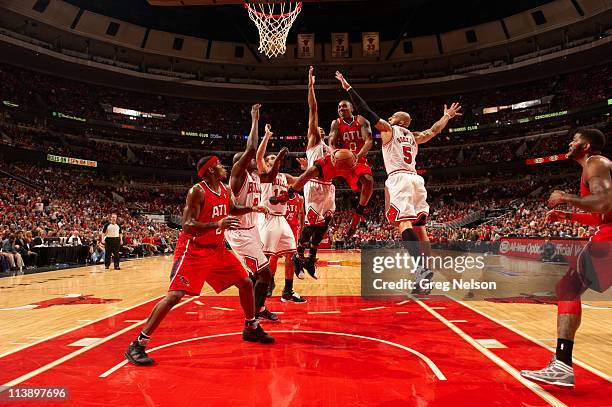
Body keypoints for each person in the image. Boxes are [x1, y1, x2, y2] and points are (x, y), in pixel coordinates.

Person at [124, 155, 275, 366]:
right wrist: (217, 224)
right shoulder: (197, 191)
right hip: (193, 249)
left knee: (246, 283)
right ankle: (137, 344)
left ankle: (251, 327)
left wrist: (253, 208)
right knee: (175, 295)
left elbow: (232, 210)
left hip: (217, 249)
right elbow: (187, 225)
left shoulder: (225, 189)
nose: (223, 167)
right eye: (219, 165)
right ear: (211, 170)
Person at [333, 71, 461, 294]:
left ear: (399, 121)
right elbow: (435, 129)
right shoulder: (415, 136)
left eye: (392, 117)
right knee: (421, 229)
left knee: (403, 224)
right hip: (416, 180)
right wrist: (447, 116)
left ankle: (421, 270)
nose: (389, 118)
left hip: (399, 179)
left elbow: (364, 110)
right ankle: (426, 275)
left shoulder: (389, 130)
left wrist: (347, 87)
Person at [521, 129, 611, 387]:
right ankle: (561, 364)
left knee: (568, 288)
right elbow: (600, 215)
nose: (570, 143)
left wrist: (565, 198)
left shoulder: (596, 162)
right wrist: (569, 216)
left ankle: (561, 365)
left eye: (575, 139)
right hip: (606, 231)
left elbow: (604, 202)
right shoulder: (593, 168)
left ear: (587, 145)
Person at [225, 104, 287, 322]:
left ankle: (255, 308)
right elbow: (232, 209)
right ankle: (254, 314)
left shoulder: (253, 177)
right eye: (246, 158)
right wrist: (255, 119)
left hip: (251, 230)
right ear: (239, 164)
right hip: (239, 231)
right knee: (265, 276)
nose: (251, 159)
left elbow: (270, 177)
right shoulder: (238, 175)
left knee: (257, 275)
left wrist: (278, 159)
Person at [256, 123, 305, 303]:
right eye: (269, 160)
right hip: (268, 218)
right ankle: (262, 290)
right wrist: (267, 136)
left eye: (274, 160)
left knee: (291, 254)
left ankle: (288, 290)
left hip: (282, 219)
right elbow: (258, 156)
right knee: (267, 257)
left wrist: (306, 168)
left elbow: (304, 180)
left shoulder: (285, 177)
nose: (271, 161)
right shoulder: (265, 175)